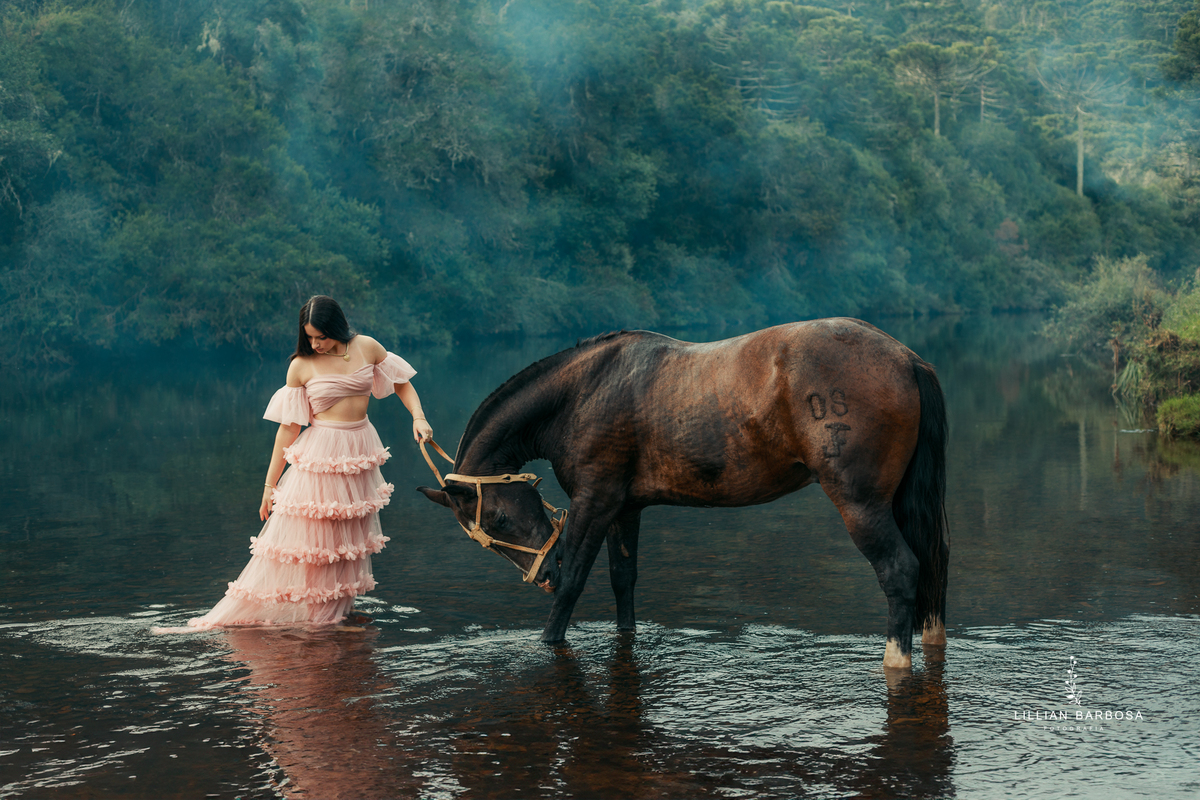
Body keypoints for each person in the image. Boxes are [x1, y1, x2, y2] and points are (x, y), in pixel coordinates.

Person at [185, 295, 433, 629]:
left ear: (338, 328)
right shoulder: (301, 365)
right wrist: (269, 485)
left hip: (359, 450)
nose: (315, 344)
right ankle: (316, 618)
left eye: (322, 336)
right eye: (310, 337)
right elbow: (288, 429)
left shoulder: (367, 347)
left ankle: (337, 614)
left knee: (348, 541)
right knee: (318, 542)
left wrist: (418, 417)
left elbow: (402, 384)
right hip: (322, 457)